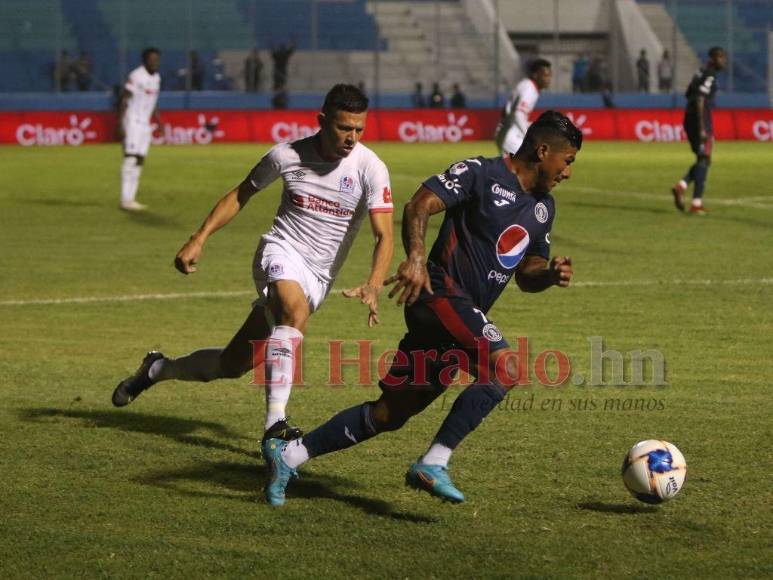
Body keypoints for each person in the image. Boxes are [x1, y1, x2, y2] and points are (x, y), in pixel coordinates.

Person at [263, 111, 581, 506]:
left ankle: (290, 455)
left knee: (389, 413)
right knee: (507, 367)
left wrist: (548, 274)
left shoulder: (543, 208)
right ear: (543, 150)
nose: (568, 172)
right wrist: (415, 257)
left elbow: (527, 271)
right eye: (567, 161)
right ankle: (435, 461)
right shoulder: (481, 172)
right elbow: (418, 206)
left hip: (458, 318)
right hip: (439, 294)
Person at [112, 84, 394, 450]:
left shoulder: (370, 168)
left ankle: (157, 369)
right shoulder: (286, 156)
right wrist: (199, 238)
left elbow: (384, 235)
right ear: (322, 121)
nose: (351, 138)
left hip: (318, 277)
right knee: (294, 313)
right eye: (344, 128)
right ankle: (275, 423)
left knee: (231, 365)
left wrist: (374, 283)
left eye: (359, 129)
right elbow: (241, 193)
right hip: (281, 252)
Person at [671, 47, 727, 215]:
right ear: (712, 59)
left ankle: (683, 188)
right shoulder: (710, 75)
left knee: (704, 159)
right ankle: (694, 202)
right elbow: (700, 98)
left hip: (689, 118)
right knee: (704, 160)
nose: (724, 61)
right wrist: (702, 127)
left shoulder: (699, 72)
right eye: (721, 57)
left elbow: (689, 94)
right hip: (700, 121)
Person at [118, 47, 161, 212]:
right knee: (130, 158)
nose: (155, 62)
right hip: (133, 121)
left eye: (157, 59)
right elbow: (124, 99)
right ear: (145, 61)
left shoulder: (157, 78)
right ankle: (124, 198)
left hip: (145, 124)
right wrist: (121, 123)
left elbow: (153, 102)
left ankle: (131, 198)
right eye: (151, 59)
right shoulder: (136, 76)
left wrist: (160, 122)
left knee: (140, 160)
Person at [495, 58, 552, 156]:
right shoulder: (529, 89)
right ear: (535, 75)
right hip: (511, 136)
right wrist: (528, 136)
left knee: (515, 170)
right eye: (545, 75)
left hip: (507, 133)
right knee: (536, 163)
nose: (549, 79)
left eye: (550, 75)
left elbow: (513, 113)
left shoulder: (526, 85)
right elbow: (518, 114)